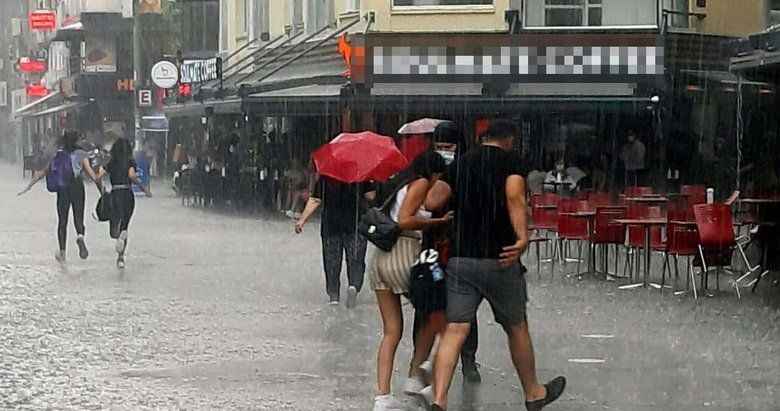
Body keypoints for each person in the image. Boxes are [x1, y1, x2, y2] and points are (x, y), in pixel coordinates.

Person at [424, 119, 566, 411]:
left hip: (462, 259)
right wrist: (522, 237)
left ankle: (439, 400)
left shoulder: (462, 163)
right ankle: (533, 393)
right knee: (516, 327)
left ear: (483, 138)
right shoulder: (511, 162)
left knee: (456, 329)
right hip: (501, 259)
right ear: (509, 139)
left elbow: (432, 199)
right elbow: (514, 196)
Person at [368, 151, 452, 411]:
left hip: (380, 260)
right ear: (434, 172)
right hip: (403, 254)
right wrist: (439, 220)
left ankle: (382, 397)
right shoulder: (420, 183)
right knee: (441, 312)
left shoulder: (399, 184)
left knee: (392, 331)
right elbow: (405, 220)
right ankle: (418, 374)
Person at [18, 130, 101, 263]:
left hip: (62, 188)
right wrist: (101, 188)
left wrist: (29, 186)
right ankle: (80, 237)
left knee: (62, 220)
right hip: (77, 187)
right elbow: (91, 174)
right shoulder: (81, 154)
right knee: (78, 216)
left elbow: (43, 172)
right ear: (76, 141)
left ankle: (62, 253)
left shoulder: (57, 154)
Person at [295, 176, 375, 308]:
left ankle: (334, 296)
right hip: (355, 224)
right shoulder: (360, 175)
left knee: (331, 260)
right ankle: (353, 286)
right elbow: (370, 196)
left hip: (331, 224)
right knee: (356, 259)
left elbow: (315, 199)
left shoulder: (326, 177)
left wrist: (302, 220)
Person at [97, 138, 152, 268]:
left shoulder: (112, 162)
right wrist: (143, 188)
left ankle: (118, 237)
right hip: (127, 194)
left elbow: (99, 176)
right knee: (125, 226)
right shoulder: (130, 161)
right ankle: (121, 257)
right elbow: (132, 176)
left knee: (114, 226)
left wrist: (102, 190)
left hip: (115, 194)